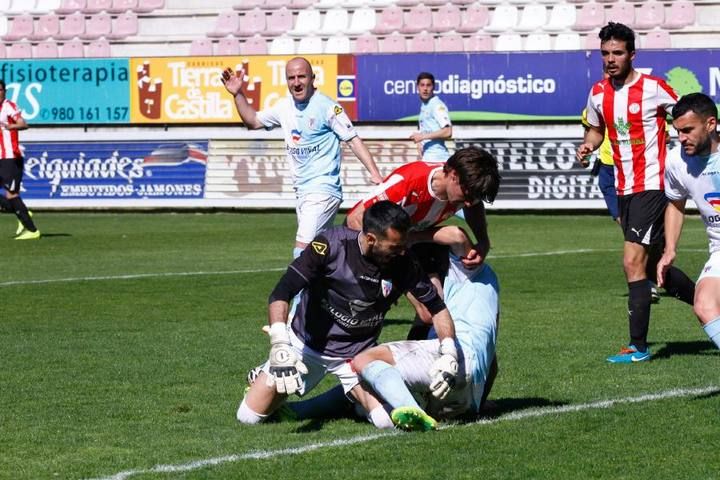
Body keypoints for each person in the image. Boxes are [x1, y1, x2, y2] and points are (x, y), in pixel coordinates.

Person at [236, 201, 459, 430]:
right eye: (394, 247)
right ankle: (267, 379)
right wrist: (280, 344)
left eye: (403, 245)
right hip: (306, 345)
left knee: (387, 422)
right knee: (248, 417)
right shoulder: (331, 245)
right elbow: (281, 292)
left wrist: (449, 351)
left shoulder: (405, 262)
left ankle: (352, 397)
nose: (402, 252)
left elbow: (437, 308)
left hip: (358, 354)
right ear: (371, 239)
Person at [576, 22, 695, 363]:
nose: (610, 59)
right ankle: (710, 303)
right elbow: (596, 131)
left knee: (632, 261)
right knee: (658, 267)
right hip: (624, 187)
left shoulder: (655, 88)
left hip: (654, 184)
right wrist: (587, 146)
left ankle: (638, 347)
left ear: (631, 55)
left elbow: (690, 115)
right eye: (605, 53)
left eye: (617, 53)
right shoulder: (598, 93)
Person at [221, 57, 383, 260]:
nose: (296, 82)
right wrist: (237, 94)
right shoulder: (284, 107)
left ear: (312, 78)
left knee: (302, 251)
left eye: (301, 76)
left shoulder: (327, 107)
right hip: (303, 192)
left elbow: (352, 140)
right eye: (291, 78)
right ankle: (347, 282)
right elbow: (253, 121)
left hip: (322, 190)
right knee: (320, 252)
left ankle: (297, 293)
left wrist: (375, 174)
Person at [353, 225, 498, 429]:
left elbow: (429, 313)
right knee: (375, 386)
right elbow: (493, 363)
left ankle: (406, 411)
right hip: (471, 396)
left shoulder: (463, 267)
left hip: (454, 362)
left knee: (361, 363)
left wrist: (409, 237)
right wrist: (478, 404)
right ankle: (407, 406)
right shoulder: (489, 284)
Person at [346, 147, 500, 339]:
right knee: (367, 311)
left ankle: (418, 359)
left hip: (410, 241)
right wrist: (381, 265)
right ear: (453, 175)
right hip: (378, 247)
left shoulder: (464, 188)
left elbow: (474, 206)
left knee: (432, 309)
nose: (468, 203)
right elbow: (355, 219)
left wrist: (483, 242)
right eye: (468, 195)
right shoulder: (408, 182)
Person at [657, 92, 720, 351]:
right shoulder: (676, 161)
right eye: (678, 131)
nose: (681, 138)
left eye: (688, 130)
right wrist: (669, 249)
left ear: (711, 124)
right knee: (704, 305)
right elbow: (675, 204)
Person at [0, 80, 39, 240]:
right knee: (12, 199)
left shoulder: (8, 106)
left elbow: (23, 123)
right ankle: (22, 210)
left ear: (4, 91)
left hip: (10, 157)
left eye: (0, 89)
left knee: (11, 195)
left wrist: (12, 127)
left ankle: (32, 230)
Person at [410, 72, 452, 162]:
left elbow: (448, 131)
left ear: (433, 87)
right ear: (417, 87)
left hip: (438, 158)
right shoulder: (425, 105)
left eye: (428, 85)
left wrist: (423, 137)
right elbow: (425, 126)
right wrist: (420, 143)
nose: (425, 89)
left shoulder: (437, 105)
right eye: (422, 85)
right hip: (428, 157)